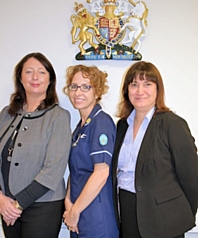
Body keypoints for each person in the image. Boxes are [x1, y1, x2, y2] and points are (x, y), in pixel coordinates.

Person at [112, 61, 198, 238]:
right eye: (134, 84)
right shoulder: (122, 126)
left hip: (164, 218)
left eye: (147, 84)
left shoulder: (172, 124)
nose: (140, 91)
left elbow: (191, 177)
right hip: (127, 212)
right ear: (127, 90)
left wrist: (181, 214)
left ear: (158, 89)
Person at [0, 52, 71, 238]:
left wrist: (17, 205)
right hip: (6, 205)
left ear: (50, 80)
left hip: (43, 207)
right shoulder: (6, 114)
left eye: (41, 72)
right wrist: (1, 199)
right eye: (29, 71)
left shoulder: (59, 117)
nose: (35, 77)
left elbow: (53, 170)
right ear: (20, 78)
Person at [62, 64, 119, 238]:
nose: (78, 92)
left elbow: (102, 173)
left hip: (96, 216)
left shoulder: (101, 122)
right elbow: (75, 171)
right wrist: (68, 202)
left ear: (97, 91)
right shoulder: (79, 128)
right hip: (78, 213)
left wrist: (74, 211)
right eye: (74, 86)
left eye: (86, 87)